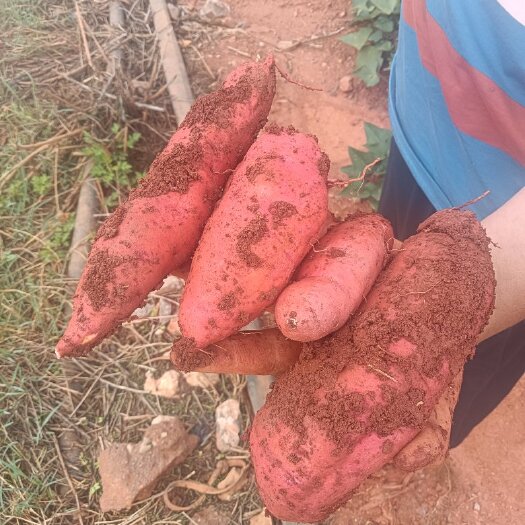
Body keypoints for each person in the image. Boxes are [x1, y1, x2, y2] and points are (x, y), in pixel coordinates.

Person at [174, 0, 525, 468]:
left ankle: (428, 428)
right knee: (383, 249)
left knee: (441, 369)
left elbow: (442, 309)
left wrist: (457, 301)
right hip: (422, 125)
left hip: (510, 247)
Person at [379, 0, 525, 449]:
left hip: (503, 253)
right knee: (381, 267)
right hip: (419, 130)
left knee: (435, 386)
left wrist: (441, 317)